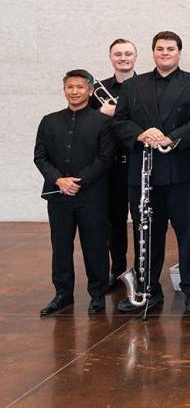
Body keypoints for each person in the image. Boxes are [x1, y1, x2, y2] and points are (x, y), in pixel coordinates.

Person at [112, 31, 190, 314]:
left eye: (170, 49)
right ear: (153, 52)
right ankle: (147, 291)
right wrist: (143, 134)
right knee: (146, 235)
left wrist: (171, 137)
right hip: (143, 174)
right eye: (159, 49)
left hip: (185, 173)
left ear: (179, 52)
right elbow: (120, 122)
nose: (165, 53)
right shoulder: (133, 86)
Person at [34, 69, 115, 316]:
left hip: (92, 196)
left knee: (95, 246)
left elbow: (105, 158)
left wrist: (78, 181)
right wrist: (59, 180)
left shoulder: (102, 122)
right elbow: (40, 157)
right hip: (58, 195)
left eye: (80, 87)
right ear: (64, 89)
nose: (75, 91)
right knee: (60, 246)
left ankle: (98, 294)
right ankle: (63, 294)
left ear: (90, 91)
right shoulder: (49, 120)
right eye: (70, 87)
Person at [89, 38, 137, 290]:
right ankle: (117, 270)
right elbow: (88, 124)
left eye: (128, 53)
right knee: (113, 221)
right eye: (118, 54)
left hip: (139, 162)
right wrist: (100, 114)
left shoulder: (146, 85)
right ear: (110, 58)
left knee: (142, 220)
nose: (123, 58)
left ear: (135, 58)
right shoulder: (98, 89)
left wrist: (116, 113)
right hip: (110, 165)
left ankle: (142, 270)